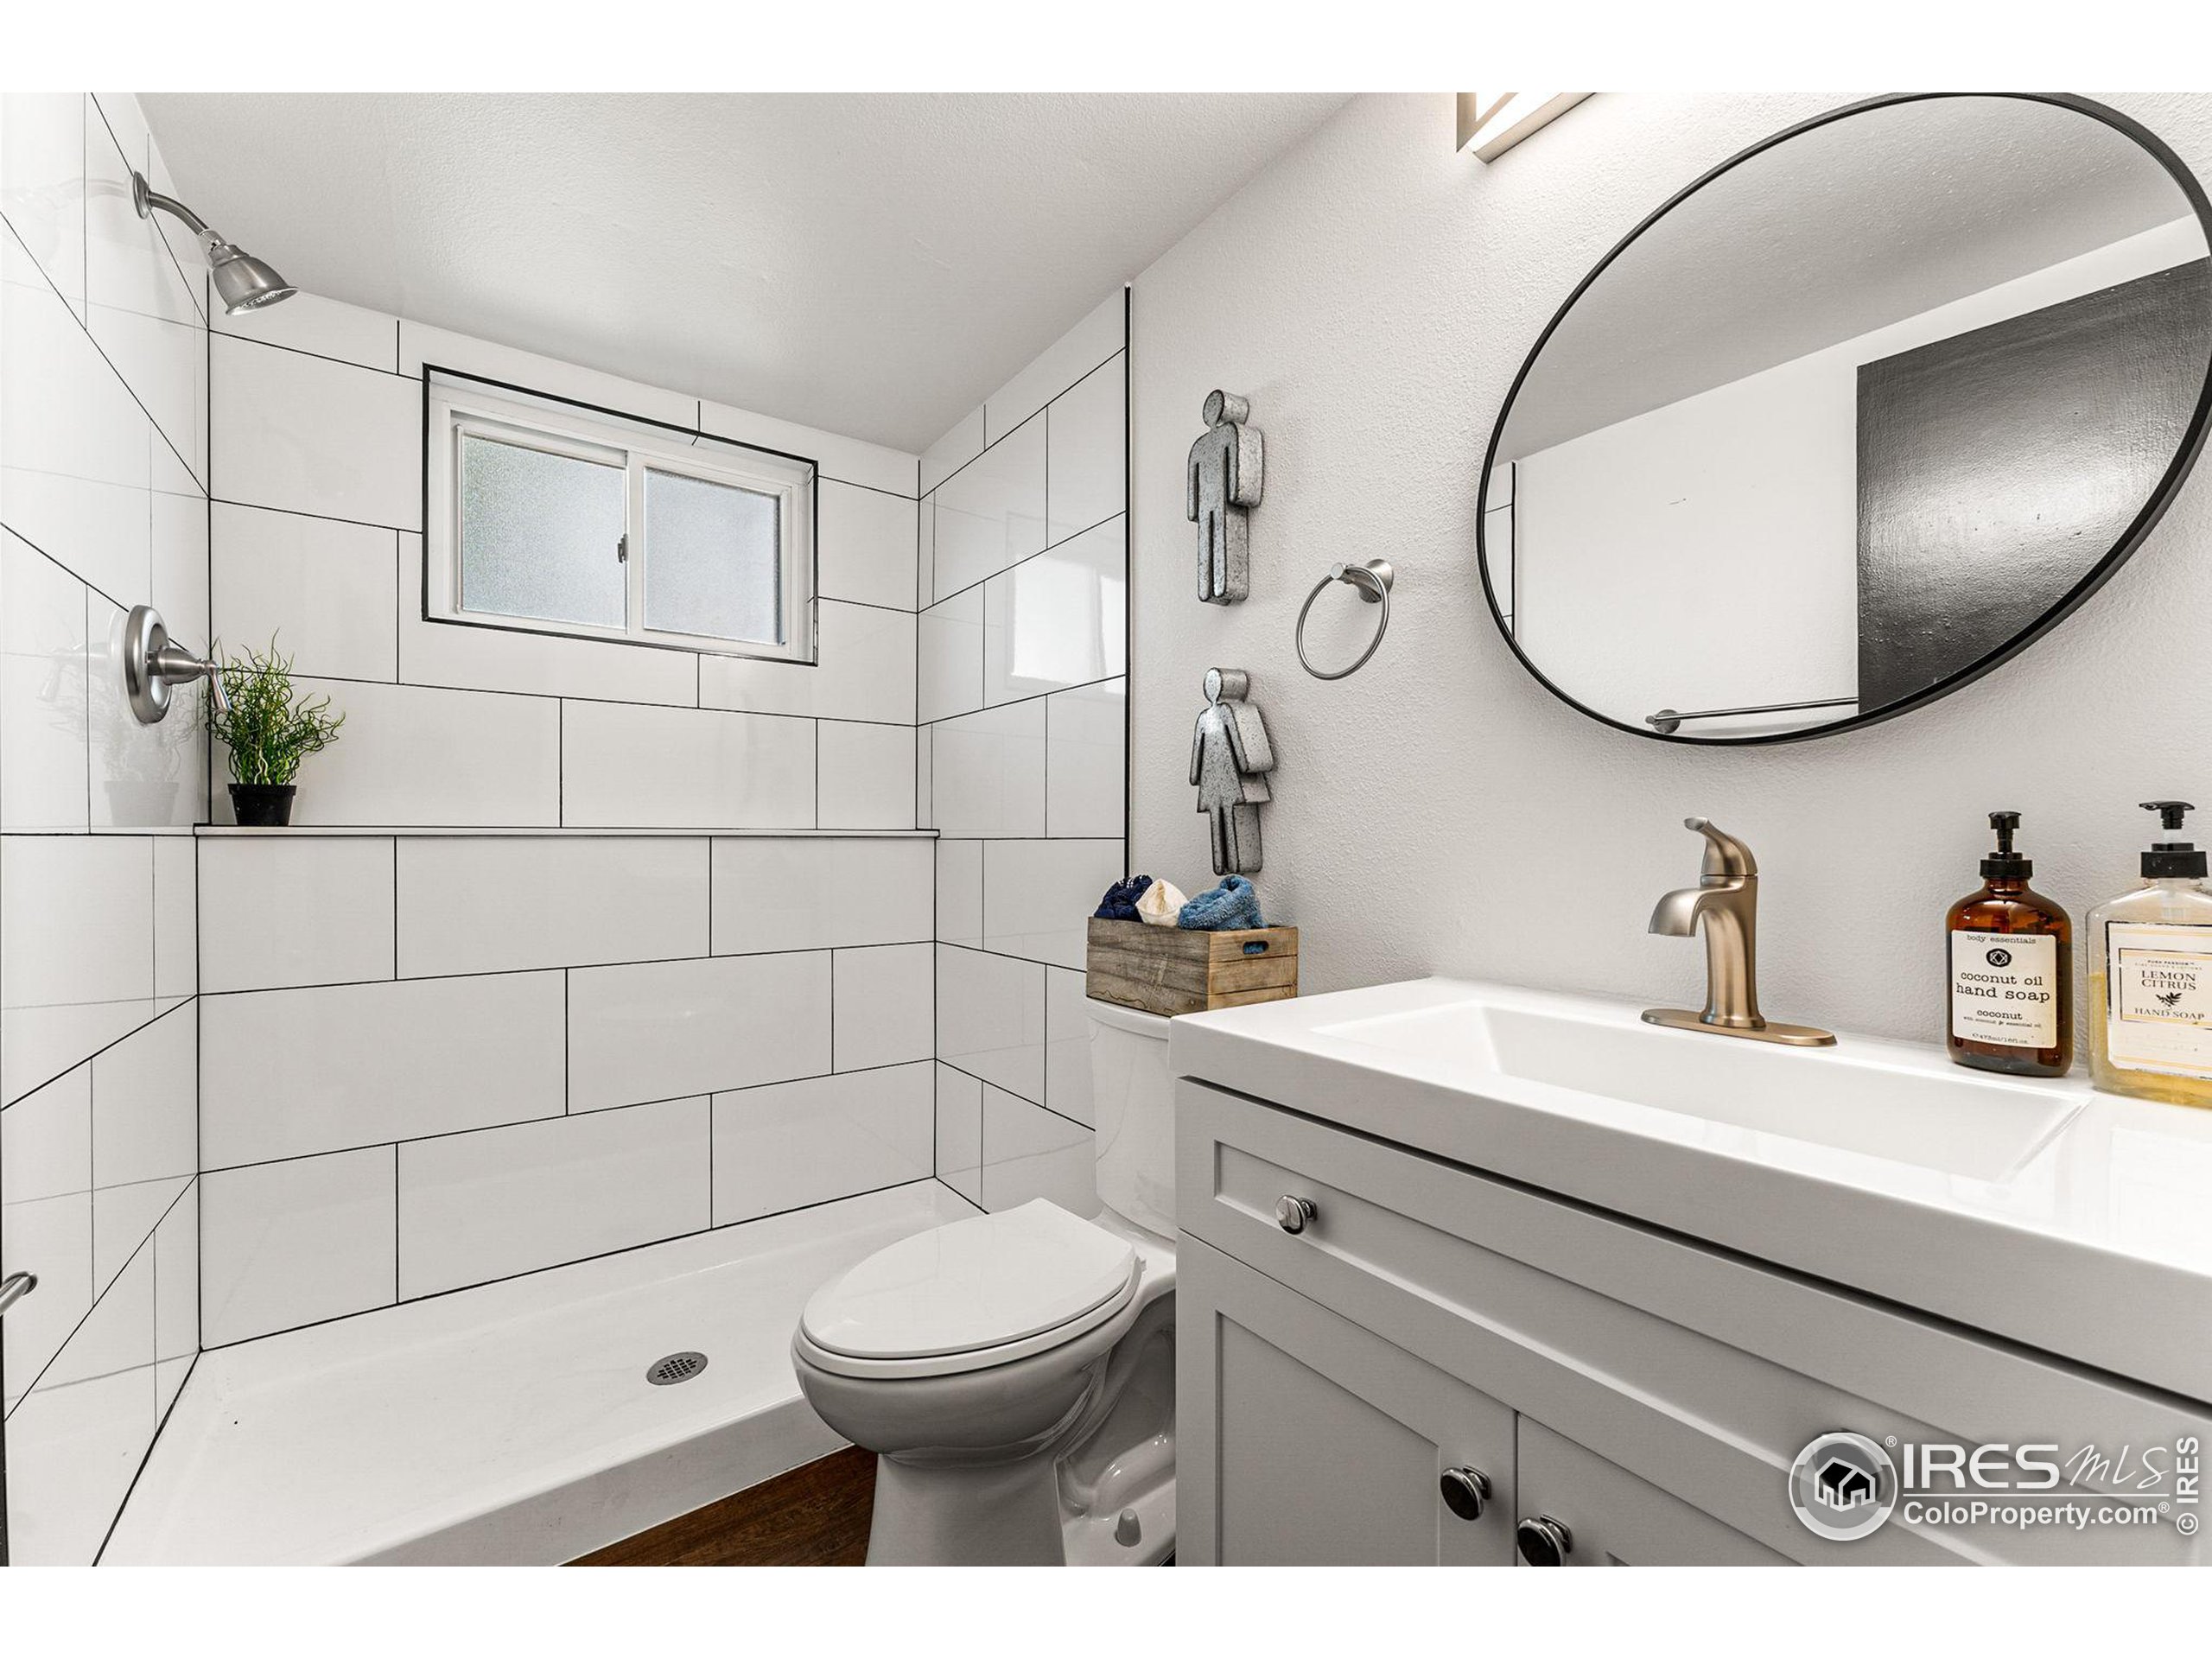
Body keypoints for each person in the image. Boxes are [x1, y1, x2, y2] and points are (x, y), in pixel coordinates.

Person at [1190, 667, 1274, 874]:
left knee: (1224, 817)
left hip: (1221, 779)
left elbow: (1199, 757)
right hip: (1223, 779)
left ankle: (1228, 863)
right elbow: (1203, 748)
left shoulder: (1217, 715)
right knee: (1222, 817)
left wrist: (1195, 776)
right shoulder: (1215, 716)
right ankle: (1225, 864)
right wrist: (1247, 764)